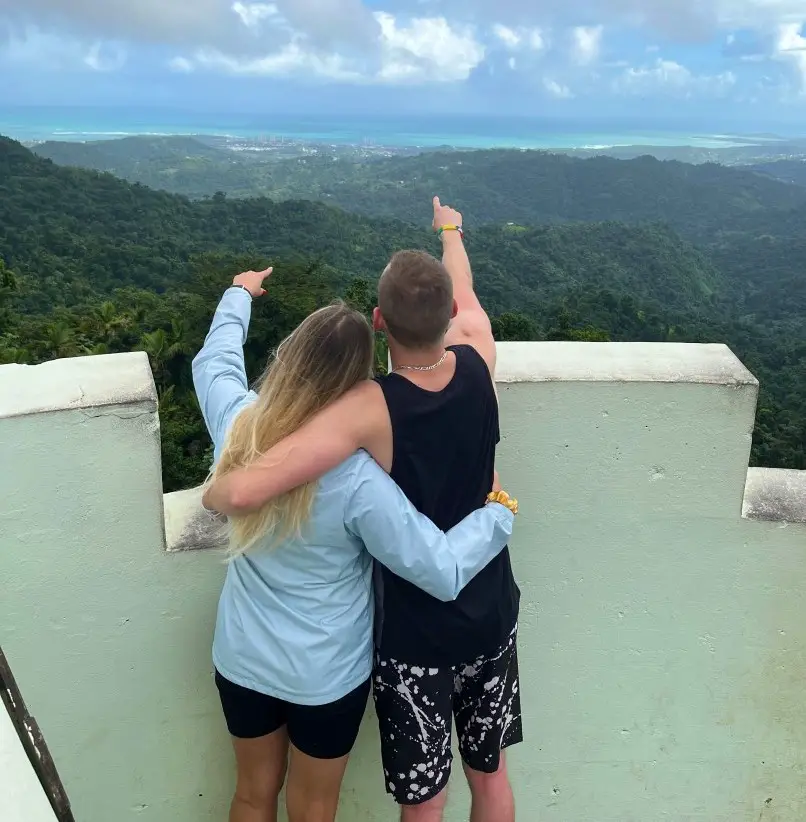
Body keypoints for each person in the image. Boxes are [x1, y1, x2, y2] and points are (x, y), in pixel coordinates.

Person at [203, 197, 522, 822]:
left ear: (381, 320)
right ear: (452, 314)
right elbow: (434, 560)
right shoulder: (474, 363)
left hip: (281, 650)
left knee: (255, 794)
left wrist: (237, 294)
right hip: (453, 627)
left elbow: (216, 370)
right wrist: (451, 230)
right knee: (485, 779)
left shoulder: (278, 425)